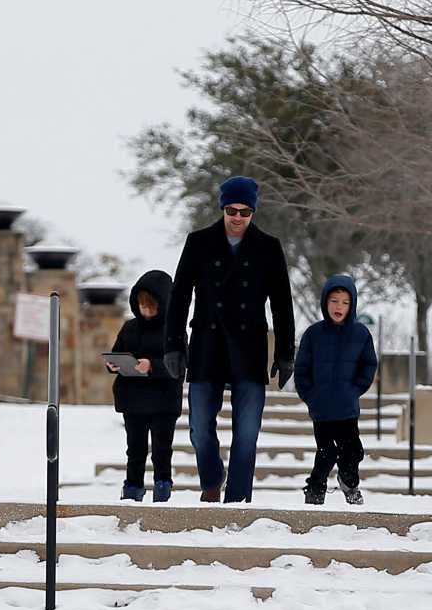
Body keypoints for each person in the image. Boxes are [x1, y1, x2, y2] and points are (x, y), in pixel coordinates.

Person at [166, 176, 295, 504]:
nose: (237, 217)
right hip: (206, 346)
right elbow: (179, 296)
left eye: (245, 212)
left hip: (249, 348)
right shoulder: (199, 242)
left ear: (253, 212)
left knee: (247, 433)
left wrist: (284, 352)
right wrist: (173, 345)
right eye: (232, 210)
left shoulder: (268, 247)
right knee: (199, 428)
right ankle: (211, 478)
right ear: (222, 208)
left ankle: (237, 502)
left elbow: (282, 302)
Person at [292, 273, 378, 506]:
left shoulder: (360, 334)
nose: (338, 306)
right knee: (326, 452)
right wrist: (310, 395)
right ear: (324, 302)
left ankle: (349, 482)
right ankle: (315, 489)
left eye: (344, 302)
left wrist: (355, 389)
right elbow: (301, 369)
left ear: (352, 305)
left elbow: (369, 364)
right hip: (321, 409)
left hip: (347, 407)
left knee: (354, 451)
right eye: (334, 301)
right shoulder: (313, 334)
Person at [109, 269, 181, 502]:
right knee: (135, 449)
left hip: (163, 402)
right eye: (142, 305)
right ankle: (132, 489)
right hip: (134, 399)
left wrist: (151, 366)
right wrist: (114, 364)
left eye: (151, 305)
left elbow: (179, 365)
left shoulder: (174, 330)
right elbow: (118, 352)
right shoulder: (129, 328)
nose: (146, 310)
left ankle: (162, 487)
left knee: (162, 449)